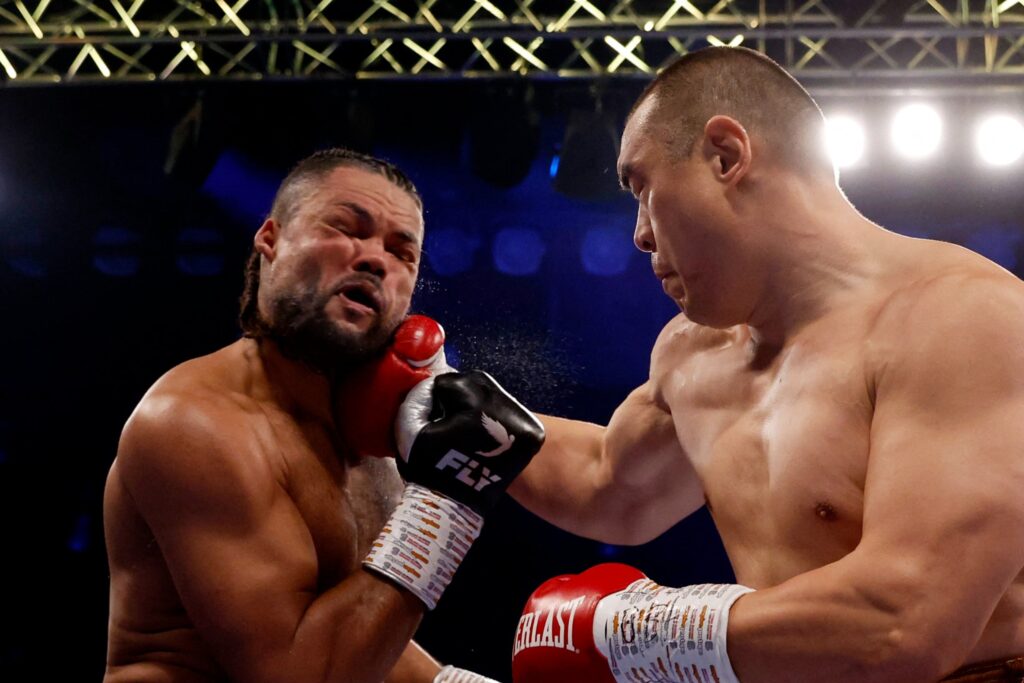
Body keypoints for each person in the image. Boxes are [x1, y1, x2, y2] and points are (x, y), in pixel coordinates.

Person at [479, 46, 1024, 682]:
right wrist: (448, 407)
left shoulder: (961, 319)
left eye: (643, 187)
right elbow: (609, 483)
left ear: (725, 156)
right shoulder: (693, 356)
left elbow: (906, 620)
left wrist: (637, 636)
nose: (639, 233)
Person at [103, 148, 544, 683]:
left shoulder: (373, 434)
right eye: (345, 228)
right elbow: (297, 673)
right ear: (270, 239)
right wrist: (448, 503)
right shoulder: (193, 423)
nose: (375, 259)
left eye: (401, 252)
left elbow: (355, 635)